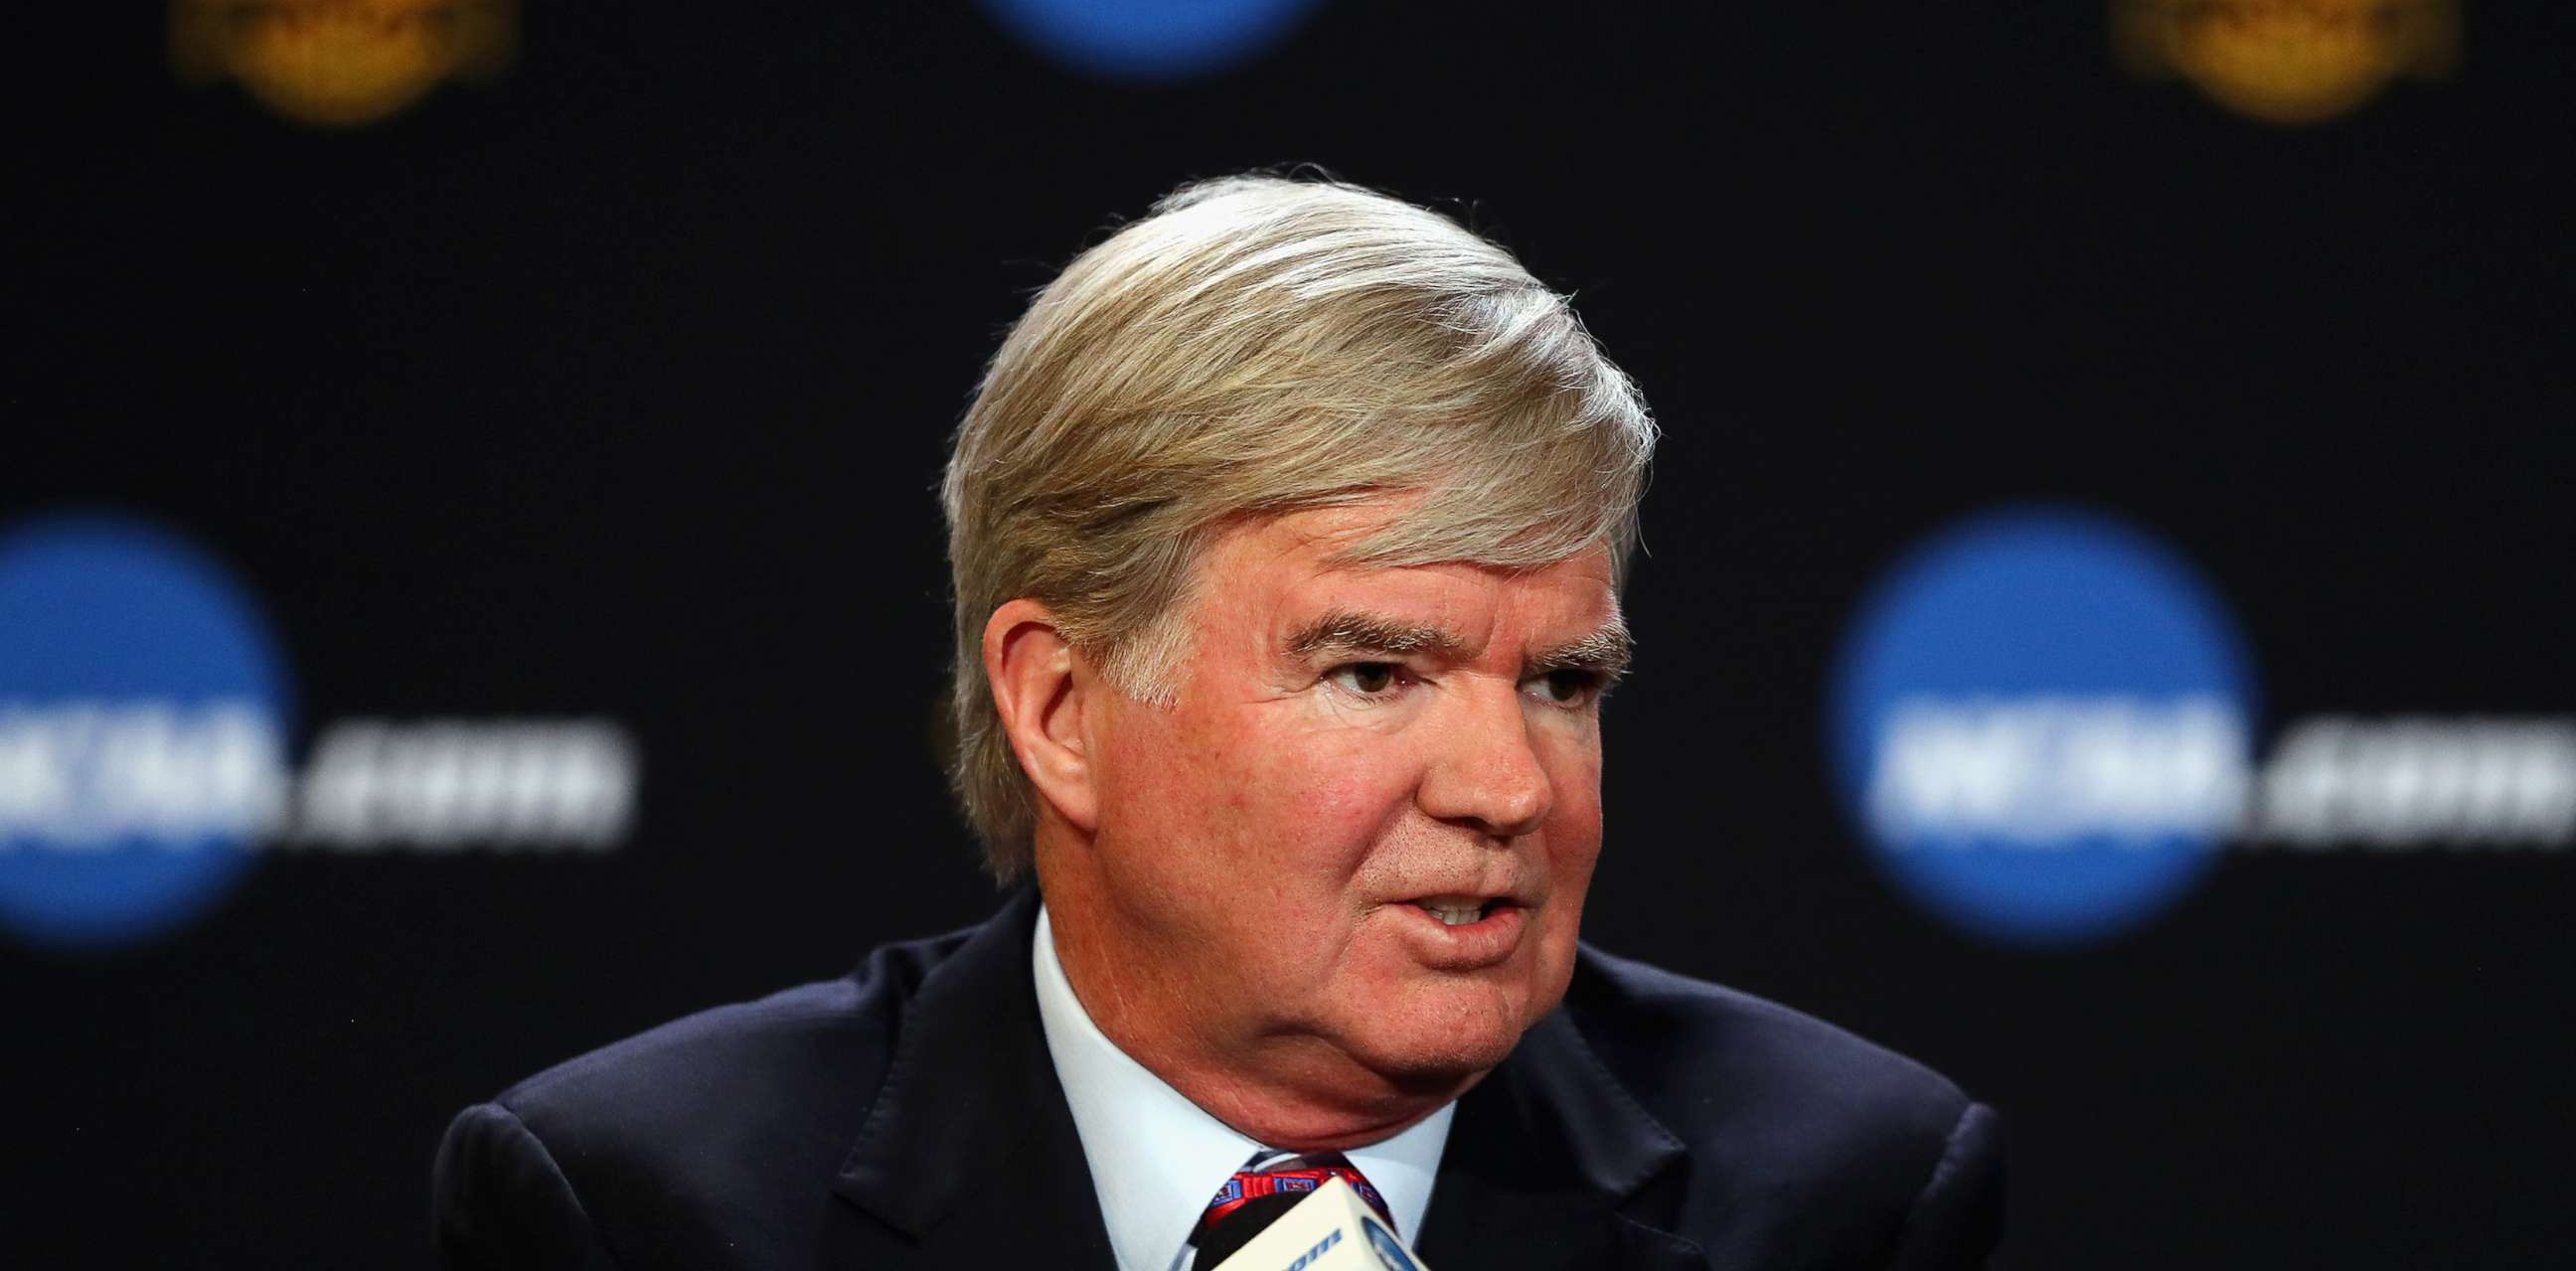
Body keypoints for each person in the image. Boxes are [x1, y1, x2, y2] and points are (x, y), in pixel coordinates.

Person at [433, 175, 2003, 1270]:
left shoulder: (1841, 1201)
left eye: (1561, 684)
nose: (1510, 788)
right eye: (1374, 673)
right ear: (1058, 707)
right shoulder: (647, 1213)